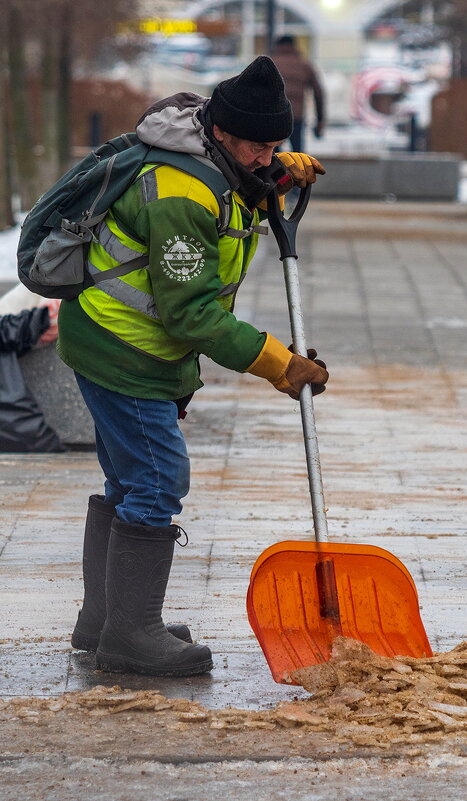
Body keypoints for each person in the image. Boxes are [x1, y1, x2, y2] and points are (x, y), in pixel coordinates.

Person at [56, 56, 328, 678]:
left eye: (276, 145)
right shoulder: (181, 190)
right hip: (123, 347)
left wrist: (275, 174)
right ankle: (130, 635)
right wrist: (278, 363)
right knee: (157, 480)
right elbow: (191, 315)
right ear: (222, 133)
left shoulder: (219, 162)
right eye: (257, 146)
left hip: (120, 342)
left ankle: (107, 619)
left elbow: (236, 198)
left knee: (130, 480)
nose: (265, 156)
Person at [269, 35, 326, 153]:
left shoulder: (271, 64)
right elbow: (318, 93)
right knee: (297, 156)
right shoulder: (304, 65)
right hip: (295, 117)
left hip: (273, 117)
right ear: (294, 47)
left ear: (278, 47)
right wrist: (320, 120)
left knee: (271, 155)